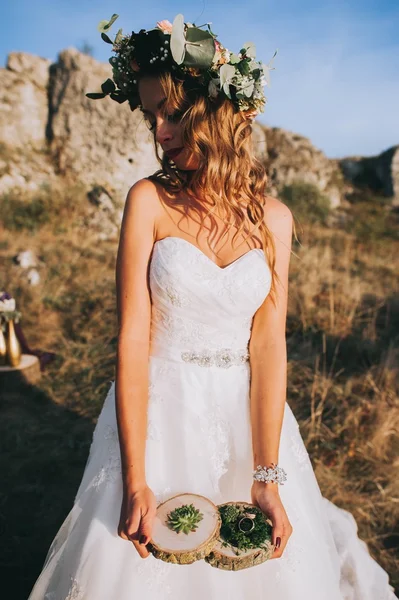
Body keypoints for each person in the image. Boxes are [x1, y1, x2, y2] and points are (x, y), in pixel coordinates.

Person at [28, 14, 397, 600]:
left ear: (215, 109)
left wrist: (267, 474)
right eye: (151, 115)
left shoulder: (275, 219)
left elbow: (269, 345)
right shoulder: (147, 200)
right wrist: (136, 478)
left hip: (245, 415)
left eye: (170, 113)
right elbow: (131, 338)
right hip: (159, 412)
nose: (159, 131)